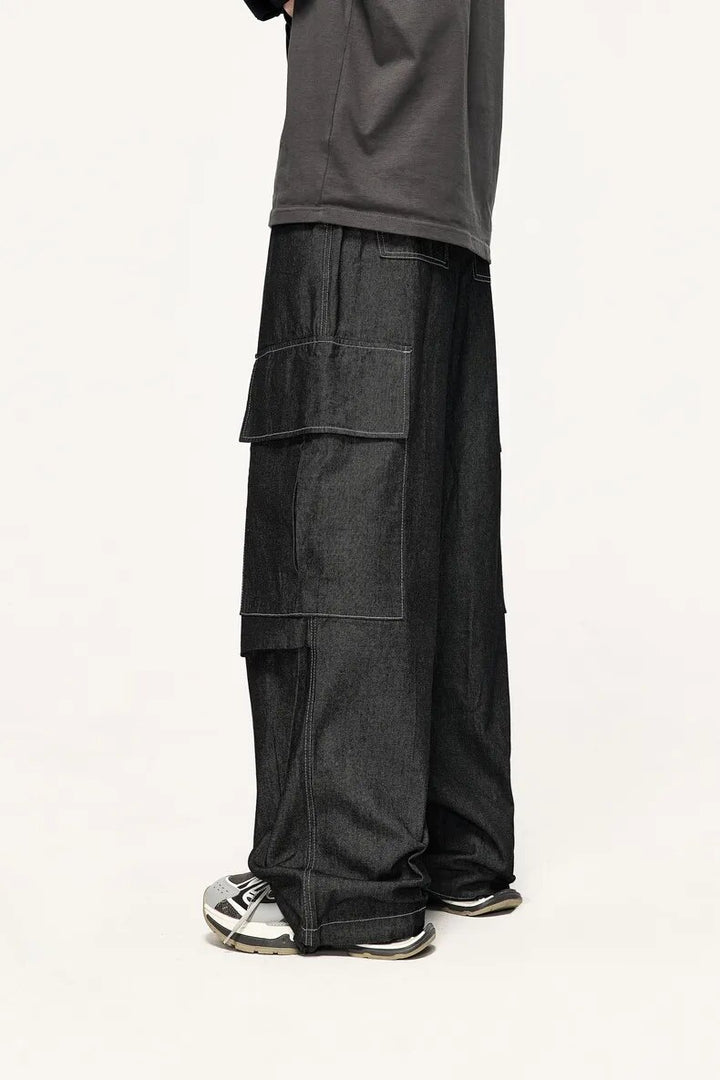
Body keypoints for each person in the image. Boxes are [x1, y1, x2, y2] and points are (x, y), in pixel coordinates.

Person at [203, 0, 521, 960]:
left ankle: (339, 880)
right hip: (451, 190)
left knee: (330, 527)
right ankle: (458, 854)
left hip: (355, 174)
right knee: (438, 536)